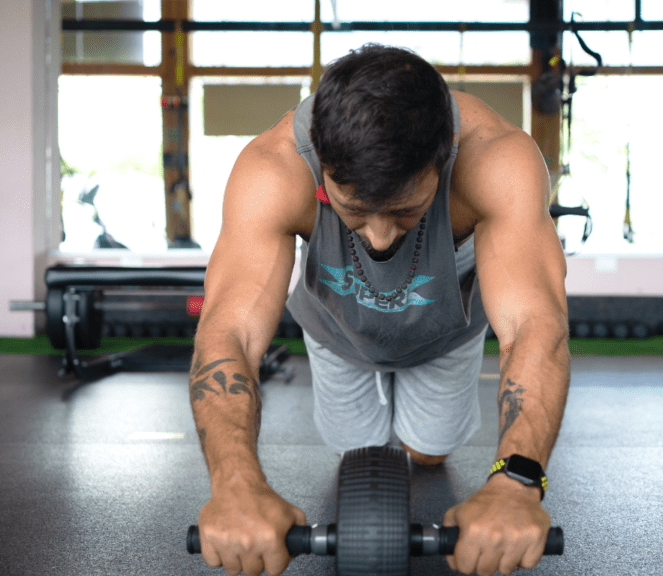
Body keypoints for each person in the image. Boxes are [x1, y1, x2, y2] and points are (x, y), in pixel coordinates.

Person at [189, 44, 570, 576]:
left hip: (445, 330)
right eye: (356, 211)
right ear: (323, 166)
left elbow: (536, 324)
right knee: (356, 451)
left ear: (444, 155)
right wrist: (235, 484)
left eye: (404, 209)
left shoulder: (496, 159)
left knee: (428, 453)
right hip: (335, 326)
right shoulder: (273, 170)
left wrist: (518, 482)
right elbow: (228, 329)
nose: (380, 236)